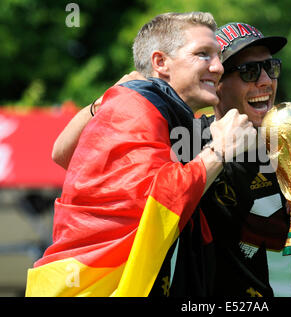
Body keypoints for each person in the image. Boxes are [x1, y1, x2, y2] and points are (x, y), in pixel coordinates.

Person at [51, 22, 291, 297]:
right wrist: (112, 96)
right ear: (216, 83)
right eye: (249, 71)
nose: (266, 81)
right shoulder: (187, 141)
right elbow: (69, 158)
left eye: (271, 67)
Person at [25, 12, 257, 297]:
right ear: (160, 63)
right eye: (203, 54)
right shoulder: (138, 109)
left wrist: (108, 96)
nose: (218, 67)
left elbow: (63, 155)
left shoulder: (137, 102)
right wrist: (221, 150)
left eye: (218, 56)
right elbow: (157, 202)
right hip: (88, 287)